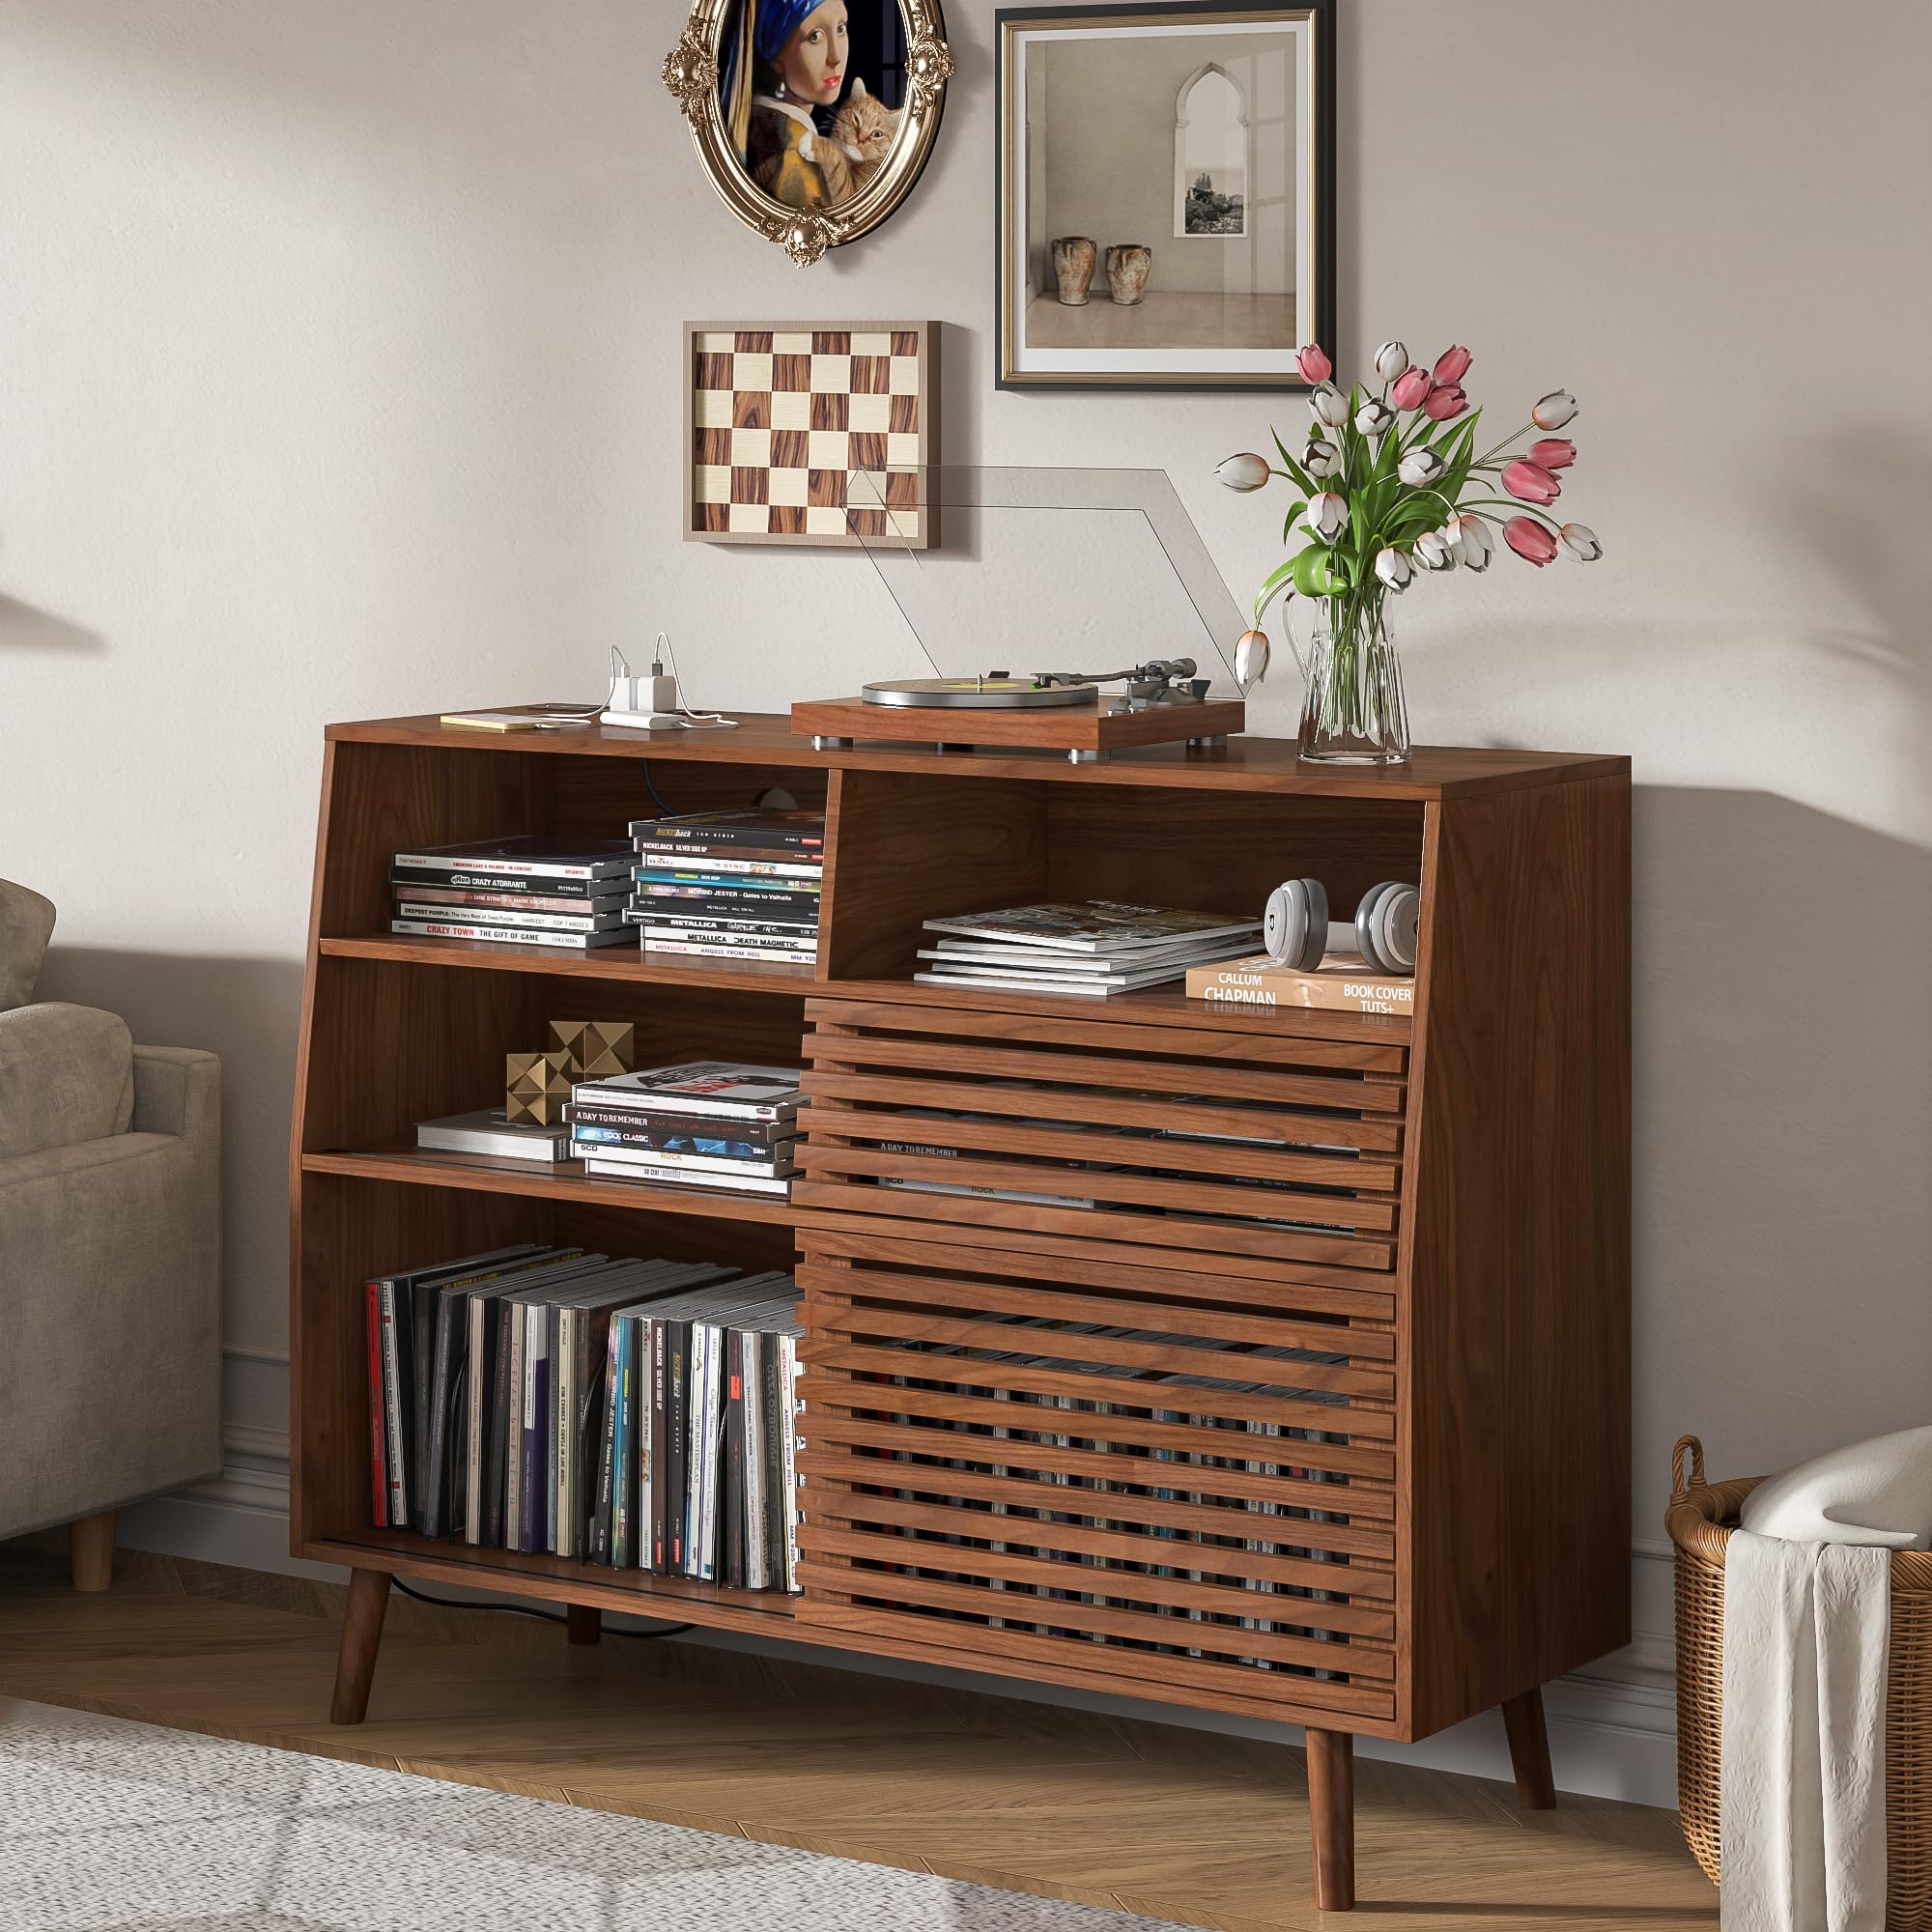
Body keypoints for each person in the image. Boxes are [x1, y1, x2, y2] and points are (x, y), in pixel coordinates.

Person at [721, 0, 853, 211]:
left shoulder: (756, 118)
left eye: (840, 29)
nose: (835, 57)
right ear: (775, 56)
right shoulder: (794, 157)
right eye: (815, 37)